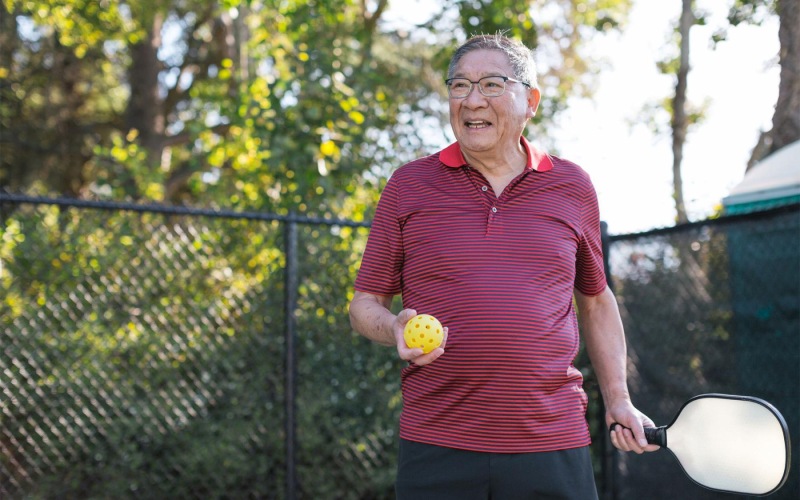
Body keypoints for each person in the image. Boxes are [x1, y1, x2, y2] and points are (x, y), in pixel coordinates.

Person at [348, 33, 658, 499]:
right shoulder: (408, 185)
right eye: (459, 86)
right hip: (437, 441)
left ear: (530, 101)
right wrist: (393, 327)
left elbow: (595, 301)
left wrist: (619, 399)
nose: (472, 100)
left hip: (551, 439)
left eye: (492, 84)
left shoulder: (573, 186)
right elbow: (364, 304)